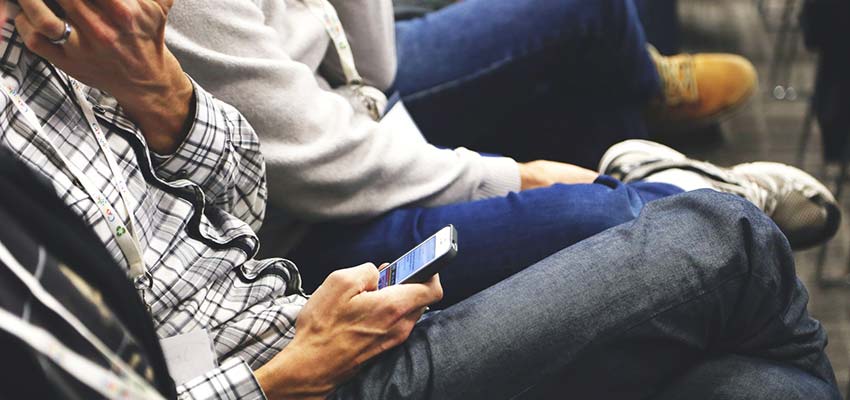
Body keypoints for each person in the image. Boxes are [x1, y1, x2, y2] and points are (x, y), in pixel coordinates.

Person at [0, 1, 842, 399]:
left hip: (284, 305)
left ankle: (647, 148)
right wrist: (272, 376)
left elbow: (240, 195)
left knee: (761, 390)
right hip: (298, 355)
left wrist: (158, 92)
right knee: (718, 243)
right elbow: (309, 168)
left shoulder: (40, 44)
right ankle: (656, 182)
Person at [165, 0, 773, 300]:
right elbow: (315, 165)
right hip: (291, 232)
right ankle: (693, 201)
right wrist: (512, 176)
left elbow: (375, 65)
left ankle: (640, 141)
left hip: (344, 94)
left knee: (590, 15)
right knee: (620, 221)